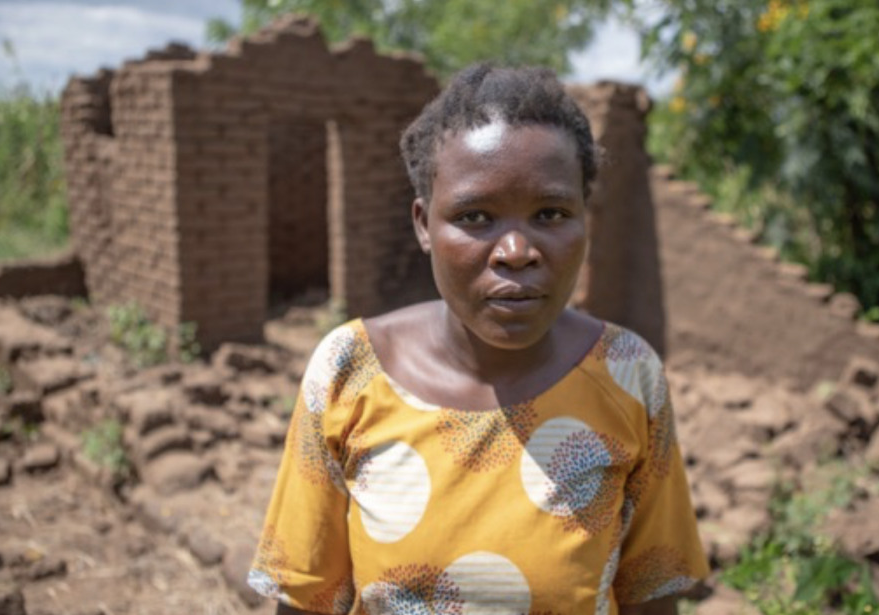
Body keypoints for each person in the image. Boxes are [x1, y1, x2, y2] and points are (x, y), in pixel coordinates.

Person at [247, 63, 709, 615]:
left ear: (586, 218)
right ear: (424, 224)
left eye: (551, 213)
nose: (516, 250)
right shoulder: (350, 371)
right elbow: (305, 598)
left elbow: (650, 596)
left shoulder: (627, 375)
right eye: (475, 216)